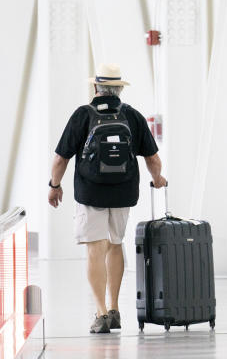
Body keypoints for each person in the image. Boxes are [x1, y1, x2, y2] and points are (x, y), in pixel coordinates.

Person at [47, 64, 167, 334]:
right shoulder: (132, 115)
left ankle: (100, 312)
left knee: (95, 249)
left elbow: (60, 158)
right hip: (124, 193)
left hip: (91, 193)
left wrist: (54, 185)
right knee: (115, 244)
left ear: (95, 87)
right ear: (119, 88)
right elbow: (153, 158)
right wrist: (157, 179)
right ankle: (114, 309)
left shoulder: (83, 115)